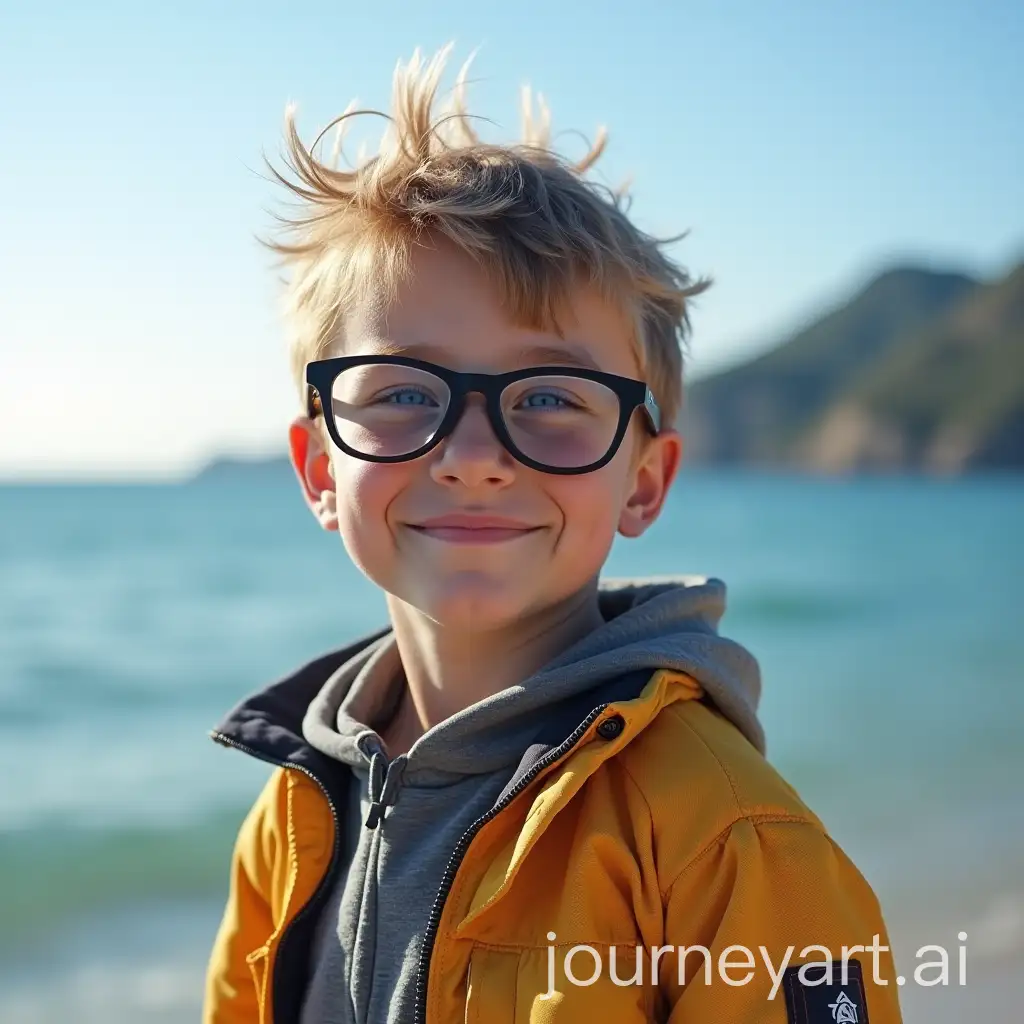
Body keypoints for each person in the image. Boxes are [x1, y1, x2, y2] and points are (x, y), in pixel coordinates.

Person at [203, 45, 903, 1024]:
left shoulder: (722, 835)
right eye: (404, 392)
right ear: (322, 468)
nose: (474, 455)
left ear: (643, 480)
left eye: (548, 397)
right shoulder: (293, 816)